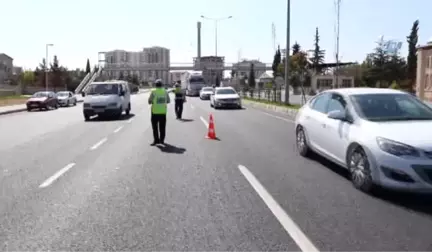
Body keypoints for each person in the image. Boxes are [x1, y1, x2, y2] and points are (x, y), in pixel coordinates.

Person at [148, 79, 170, 146]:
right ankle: (162, 140)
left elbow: (149, 101)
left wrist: (153, 102)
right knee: (162, 127)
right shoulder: (165, 92)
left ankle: (156, 140)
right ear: (162, 85)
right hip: (163, 112)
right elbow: (168, 101)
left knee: (155, 127)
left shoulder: (153, 92)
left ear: (155, 85)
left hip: (154, 112)